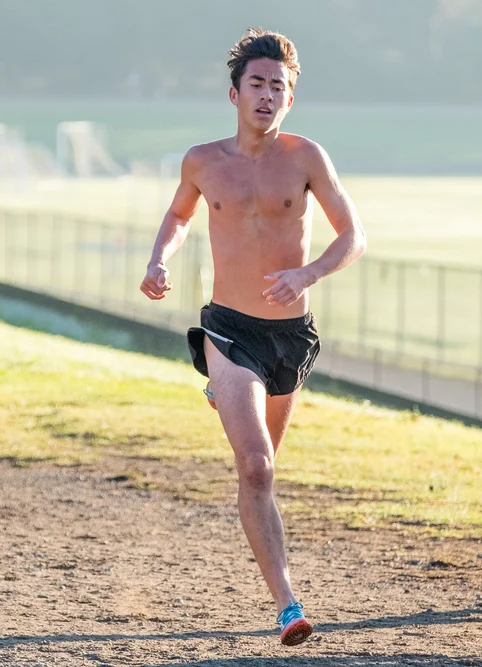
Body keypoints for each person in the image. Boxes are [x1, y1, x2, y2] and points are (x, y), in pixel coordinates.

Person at [139, 29, 366, 645]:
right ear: (234, 93)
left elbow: (354, 235)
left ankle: (227, 392)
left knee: (260, 474)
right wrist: (159, 259)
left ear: (291, 97)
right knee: (257, 466)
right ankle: (288, 605)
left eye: (279, 87)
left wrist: (308, 274)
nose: (268, 96)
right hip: (229, 328)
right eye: (258, 84)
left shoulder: (307, 157)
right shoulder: (203, 161)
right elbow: (179, 215)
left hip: (290, 337)